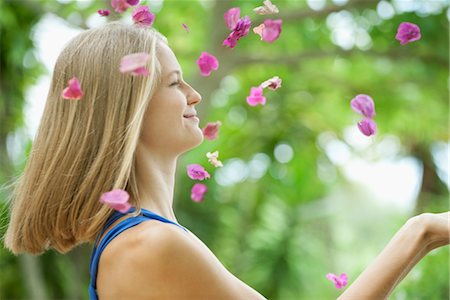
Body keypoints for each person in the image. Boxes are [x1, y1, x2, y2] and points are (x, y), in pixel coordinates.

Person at [2, 21, 449, 300]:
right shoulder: (149, 246)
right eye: (175, 82)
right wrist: (420, 232)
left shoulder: (145, 240)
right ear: (128, 108)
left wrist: (423, 233)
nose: (194, 94)